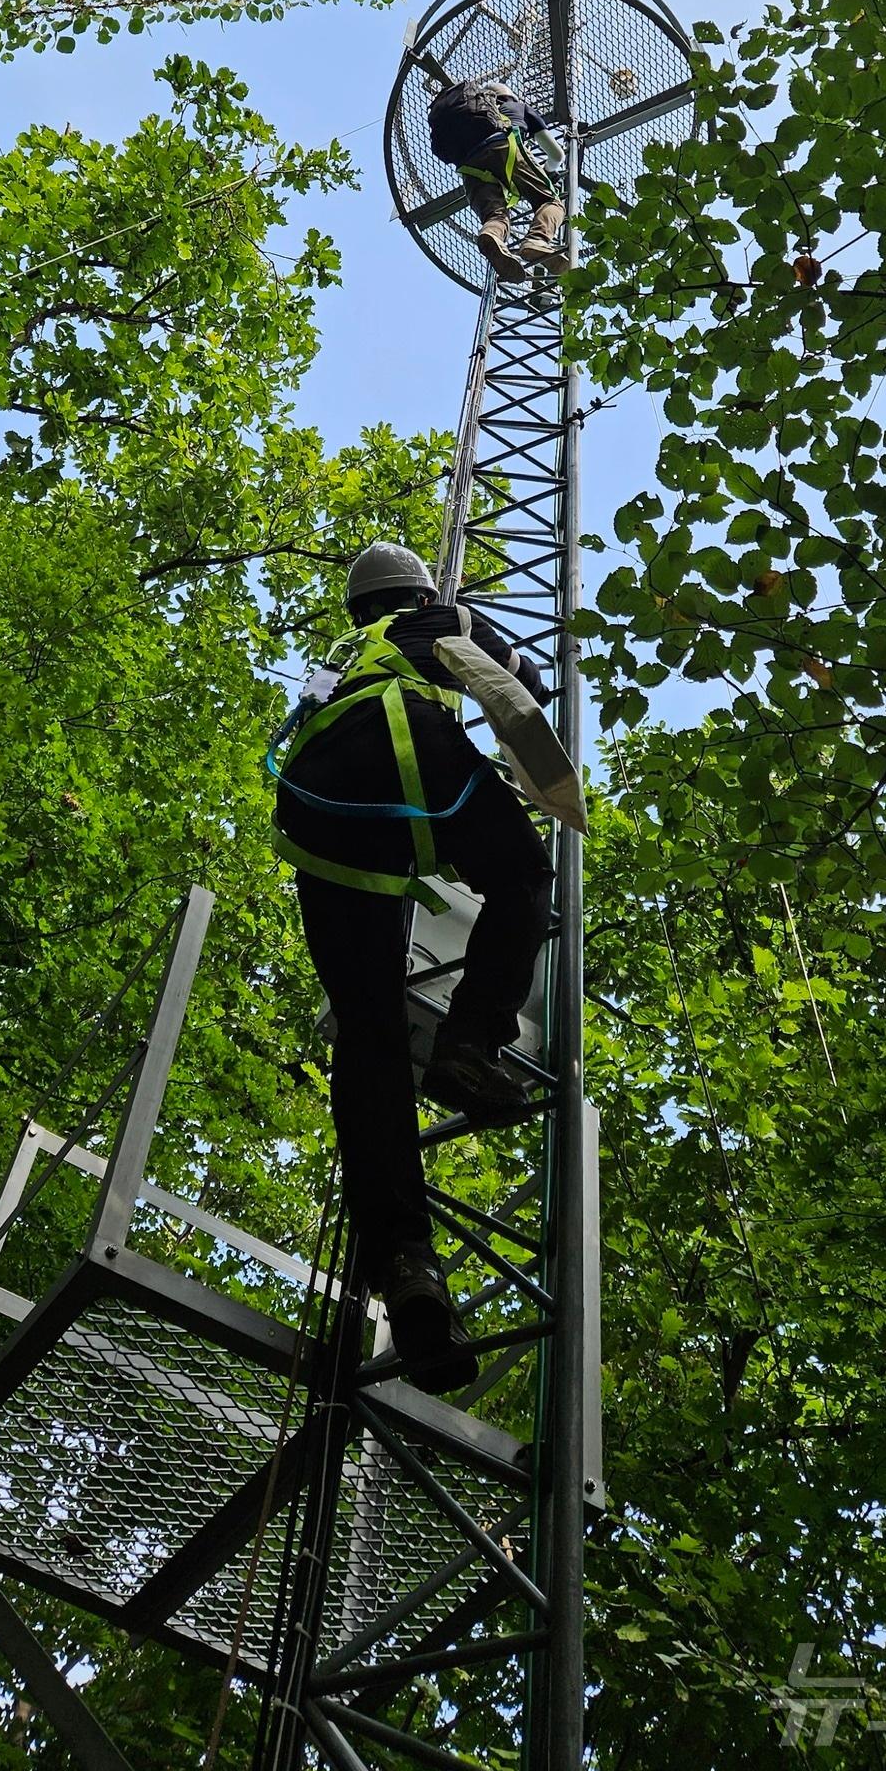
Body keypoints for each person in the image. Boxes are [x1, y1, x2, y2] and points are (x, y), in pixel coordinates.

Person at [271, 542, 556, 1395]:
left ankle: (405, 1265)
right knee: (522, 875)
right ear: (418, 591)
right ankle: (471, 1039)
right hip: (403, 750)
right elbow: (519, 679)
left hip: (319, 815)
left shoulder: (337, 663)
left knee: (370, 1038)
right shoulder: (436, 619)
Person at [428, 74, 567, 284]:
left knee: (494, 215)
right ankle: (537, 240)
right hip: (503, 147)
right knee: (549, 201)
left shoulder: (473, 111)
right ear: (509, 96)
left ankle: (491, 235)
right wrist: (548, 171)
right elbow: (557, 155)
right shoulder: (519, 107)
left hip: (469, 166)